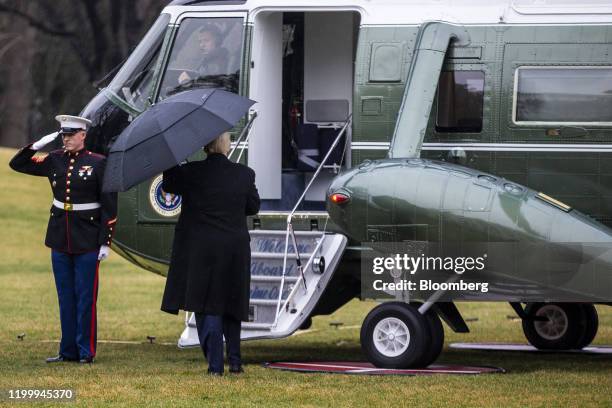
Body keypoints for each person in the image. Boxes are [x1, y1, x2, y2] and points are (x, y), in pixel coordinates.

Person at [9, 115, 118, 364]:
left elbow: (110, 205)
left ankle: (85, 351)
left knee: (85, 297)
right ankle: (67, 351)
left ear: (83, 135)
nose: (66, 139)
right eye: (63, 135)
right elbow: (18, 164)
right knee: (65, 296)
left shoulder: (98, 163)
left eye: (71, 135)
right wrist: (36, 146)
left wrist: (105, 242)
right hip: (60, 236)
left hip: (88, 239)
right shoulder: (54, 159)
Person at [160, 132, 260, 376]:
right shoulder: (244, 174)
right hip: (235, 249)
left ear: (205, 146)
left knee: (208, 306)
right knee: (232, 303)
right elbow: (253, 207)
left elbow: (169, 184)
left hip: (202, 249)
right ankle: (235, 362)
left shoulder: (192, 172)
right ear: (227, 145)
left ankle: (215, 367)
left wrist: (176, 153)